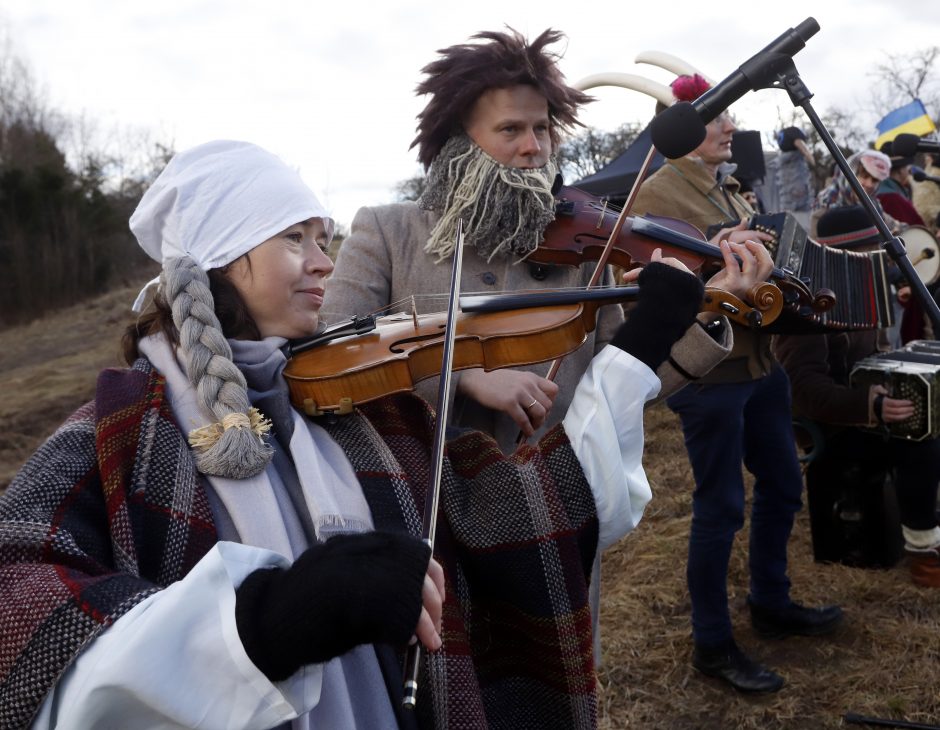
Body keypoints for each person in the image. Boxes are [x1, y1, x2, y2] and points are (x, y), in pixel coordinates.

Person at [0, 140, 755, 728]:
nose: (325, 264)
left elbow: (532, 514)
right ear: (221, 262)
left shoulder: (366, 408)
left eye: (324, 236)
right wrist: (267, 621)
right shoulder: (118, 431)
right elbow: (22, 618)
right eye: (297, 239)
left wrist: (636, 354)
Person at [321, 29, 738, 454]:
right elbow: (329, 355)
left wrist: (706, 310)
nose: (533, 147)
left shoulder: (582, 250)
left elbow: (621, 381)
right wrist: (460, 377)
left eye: (542, 128)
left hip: (552, 497)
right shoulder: (389, 231)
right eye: (510, 129)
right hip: (420, 491)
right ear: (458, 143)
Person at [630, 74, 844, 695]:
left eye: (727, 117)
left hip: (761, 367)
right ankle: (712, 643)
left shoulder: (729, 189)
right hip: (710, 374)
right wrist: (714, 263)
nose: (730, 127)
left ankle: (771, 603)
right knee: (720, 507)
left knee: (782, 485)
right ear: (683, 129)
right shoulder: (660, 193)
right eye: (718, 117)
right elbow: (653, 287)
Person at [774, 205, 940, 587]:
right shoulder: (807, 304)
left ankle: (926, 513)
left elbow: (873, 359)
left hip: (859, 412)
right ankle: (923, 552)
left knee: (931, 418)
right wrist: (873, 406)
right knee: (919, 442)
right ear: (855, 257)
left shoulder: (865, 291)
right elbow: (804, 390)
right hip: (829, 428)